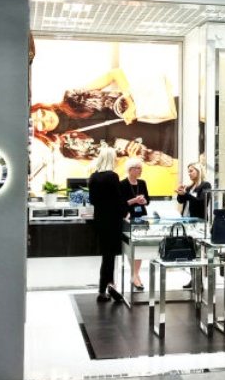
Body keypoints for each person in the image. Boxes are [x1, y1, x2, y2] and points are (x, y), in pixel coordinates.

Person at [30, 68, 175, 166]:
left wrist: (130, 104)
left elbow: (115, 74)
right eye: (40, 125)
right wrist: (131, 157)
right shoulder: (70, 148)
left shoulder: (73, 99)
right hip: (154, 142)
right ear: (43, 132)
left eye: (41, 114)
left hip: (154, 110)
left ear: (44, 108)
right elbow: (109, 164)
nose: (46, 119)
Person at [88, 147, 125, 303]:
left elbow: (92, 200)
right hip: (113, 220)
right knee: (110, 256)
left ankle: (107, 286)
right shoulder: (112, 176)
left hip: (100, 219)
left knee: (107, 255)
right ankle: (105, 288)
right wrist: (125, 211)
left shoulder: (93, 177)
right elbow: (118, 200)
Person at [176, 161, 212, 290]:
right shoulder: (190, 186)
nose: (189, 173)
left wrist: (186, 194)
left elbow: (201, 202)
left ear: (198, 171)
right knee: (191, 252)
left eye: (191, 171)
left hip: (198, 223)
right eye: (188, 171)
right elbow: (181, 200)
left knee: (198, 253)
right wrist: (181, 192)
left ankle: (199, 281)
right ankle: (194, 279)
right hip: (187, 222)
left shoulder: (205, 185)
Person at [120, 158, 150, 291]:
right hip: (128, 218)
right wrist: (134, 200)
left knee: (140, 246)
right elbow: (121, 203)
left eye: (141, 168)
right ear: (130, 170)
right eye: (138, 168)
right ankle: (134, 275)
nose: (140, 171)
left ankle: (135, 275)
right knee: (131, 247)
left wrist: (144, 201)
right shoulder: (122, 184)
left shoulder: (142, 183)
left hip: (141, 217)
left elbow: (148, 199)